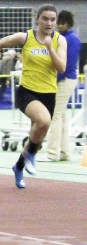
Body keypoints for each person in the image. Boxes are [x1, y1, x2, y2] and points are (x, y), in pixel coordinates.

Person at [0, 4, 67, 189]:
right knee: (43, 122)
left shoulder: (60, 41)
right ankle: (30, 155)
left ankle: (19, 166)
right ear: (38, 19)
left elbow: (61, 68)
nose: (49, 23)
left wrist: (50, 49)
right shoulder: (26, 37)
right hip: (27, 92)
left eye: (53, 19)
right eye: (45, 18)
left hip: (49, 94)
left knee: (36, 135)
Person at [38, 10, 82, 162]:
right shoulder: (63, 37)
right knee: (61, 117)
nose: (58, 26)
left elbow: (66, 64)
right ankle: (63, 152)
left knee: (54, 117)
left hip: (65, 79)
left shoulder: (71, 39)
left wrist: (51, 81)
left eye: (61, 23)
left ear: (68, 24)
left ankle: (52, 153)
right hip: (63, 79)